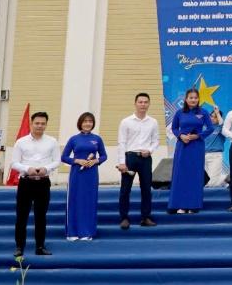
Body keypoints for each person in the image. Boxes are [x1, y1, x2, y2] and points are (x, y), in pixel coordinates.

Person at [12, 110, 60, 258]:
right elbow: (14, 163)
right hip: (26, 182)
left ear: (46, 125)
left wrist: (46, 168)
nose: (40, 126)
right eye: (37, 123)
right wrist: (28, 169)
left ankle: (40, 246)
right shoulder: (21, 142)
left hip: (43, 183)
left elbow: (57, 161)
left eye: (43, 123)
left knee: (41, 216)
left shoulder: (52, 141)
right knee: (22, 216)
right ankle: (19, 247)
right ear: (31, 124)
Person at [60, 112, 107, 240]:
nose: (88, 123)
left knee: (89, 201)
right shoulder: (74, 139)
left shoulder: (97, 139)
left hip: (91, 174)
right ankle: (73, 232)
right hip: (77, 174)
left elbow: (104, 156)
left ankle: (87, 232)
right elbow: (63, 157)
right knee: (75, 200)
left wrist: (95, 161)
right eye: (85, 121)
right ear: (80, 123)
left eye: (90, 121)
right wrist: (77, 161)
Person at [116, 92, 159, 230]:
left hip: (145, 158)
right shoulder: (126, 121)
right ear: (135, 103)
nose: (143, 104)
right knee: (125, 189)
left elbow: (156, 141)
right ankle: (124, 218)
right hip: (130, 157)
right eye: (140, 102)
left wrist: (150, 150)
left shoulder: (153, 122)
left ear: (149, 104)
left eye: (146, 102)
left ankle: (145, 217)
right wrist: (122, 162)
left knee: (146, 188)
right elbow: (121, 142)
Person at [169, 88, 214, 214]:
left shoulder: (203, 112)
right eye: (191, 98)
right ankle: (180, 205)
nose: (193, 100)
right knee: (181, 175)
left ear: (198, 99)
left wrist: (198, 136)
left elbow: (210, 128)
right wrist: (180, 136)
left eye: (195, 98)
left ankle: (193, 205)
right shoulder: (179, 113)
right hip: (183, 147)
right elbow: (174, 128)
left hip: (196, 147)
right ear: (186, 99)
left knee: (195, 175)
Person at [204, 107, 227, 187]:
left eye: (215, 117)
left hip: (215, 156)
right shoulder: (206, 129)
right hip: (204, 156)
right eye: (211, 116)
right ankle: (226, 180)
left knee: (212, 182)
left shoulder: (221, 129)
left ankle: (227, 180)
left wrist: (217, 113)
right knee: (206, 181)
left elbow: (222, 124)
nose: (212, 118)